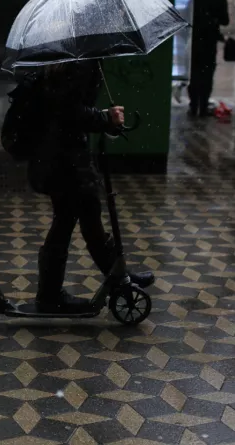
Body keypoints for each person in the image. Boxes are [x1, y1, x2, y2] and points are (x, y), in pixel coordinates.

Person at [28, 60, 154, 313]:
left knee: (87, 219)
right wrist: (104, 117)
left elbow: (70, 110)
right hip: (65, 161)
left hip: (62, 158)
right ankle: (49, 296)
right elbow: (69, 112)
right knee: (68, 221)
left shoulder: (71, 61)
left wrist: (104, 119)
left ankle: (118, 278)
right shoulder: (77, 64)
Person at [188, 0, 229, 117]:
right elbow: (225, 21)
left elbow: (188, 16)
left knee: (194, 74)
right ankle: (203, 106)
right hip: (210, 42)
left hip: (195, 42)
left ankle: (193, 105)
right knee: (207, 74)